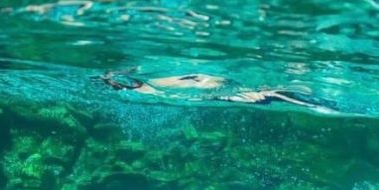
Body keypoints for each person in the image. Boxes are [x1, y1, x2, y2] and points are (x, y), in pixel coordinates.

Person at [97, 70, 338, 114]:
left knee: (270, 95)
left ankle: (315, 103)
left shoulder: (150, 88)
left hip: (223, 91)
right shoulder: (150, 89)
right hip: (223, 94)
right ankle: (315, 103)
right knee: (270, 96)